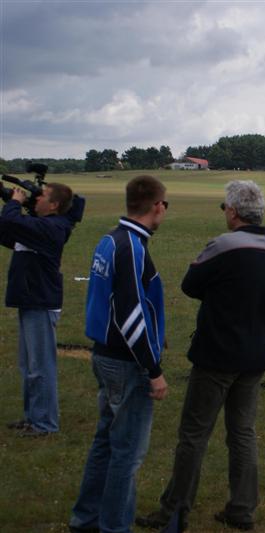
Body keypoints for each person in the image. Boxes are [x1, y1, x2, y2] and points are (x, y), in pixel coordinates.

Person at [137, 180, 265, 532]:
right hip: (255, 355)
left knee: (193, 435)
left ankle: (174, 513)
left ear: (233, 211)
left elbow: (190, 285)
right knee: (242, 433)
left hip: (217, 355)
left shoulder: (223, 244)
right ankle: (241, 509)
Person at [69, 175, 169, 533]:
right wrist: (153, 370)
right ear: (157, 206)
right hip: (126, 363)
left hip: (105, 354)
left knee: (105, 443)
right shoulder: (132, 247)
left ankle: (86, 519)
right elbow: (130, 314)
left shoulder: (110, 239)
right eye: (165, 204)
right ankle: (114, 526)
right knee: (127, 453)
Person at [0, 182, 77, 437]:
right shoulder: (40, 226)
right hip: (30, 300)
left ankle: (45, 424)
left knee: (40, 367)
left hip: (41, 303)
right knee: (29, 366)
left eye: (41, 196)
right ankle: (33, 418)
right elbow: (6, 228)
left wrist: (14, 202)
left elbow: (12, 220)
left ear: (54, 205)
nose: (36, 198)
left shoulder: (52, 227)